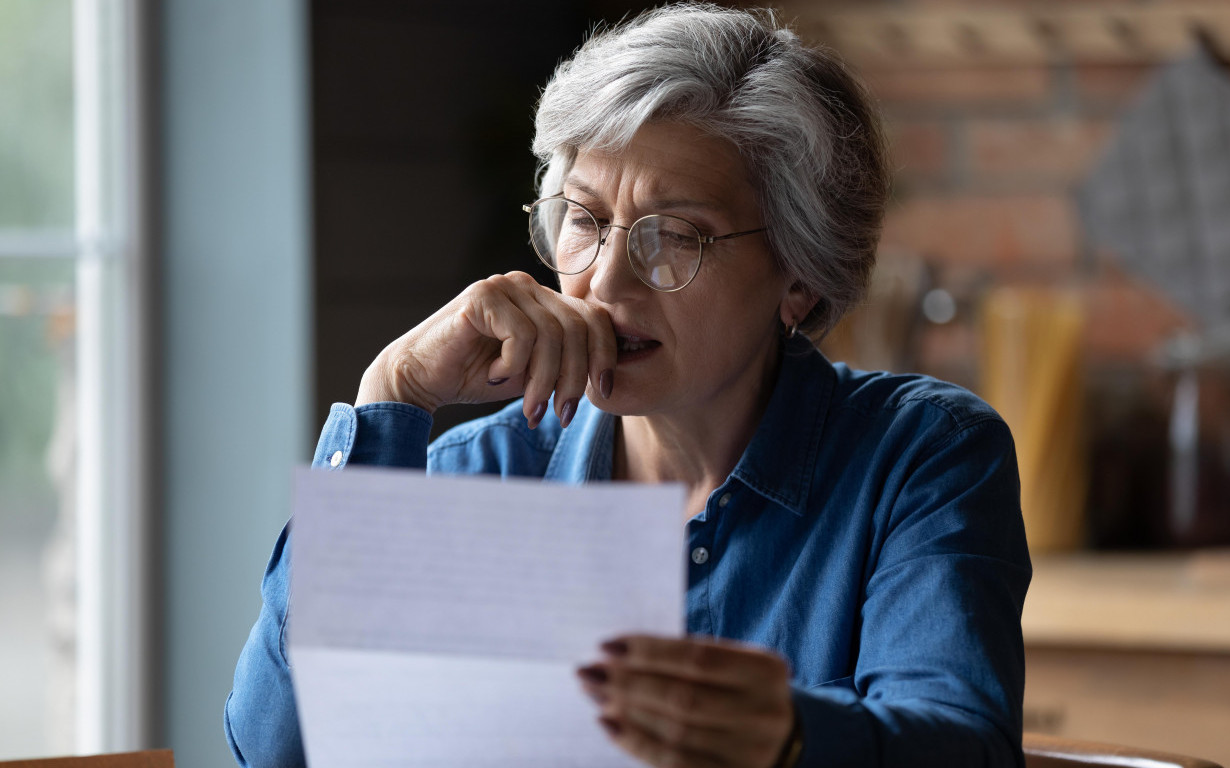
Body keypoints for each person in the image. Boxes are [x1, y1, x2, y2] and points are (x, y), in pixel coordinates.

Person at [225, 4, 1031, 767]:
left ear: (800, 279)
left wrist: (788, 738)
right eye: (583, 219)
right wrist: (391, 396)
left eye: (673, 236)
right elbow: (276, 752)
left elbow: (965, 746)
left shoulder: (920, 456)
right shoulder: (485, 474)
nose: (605, 283)